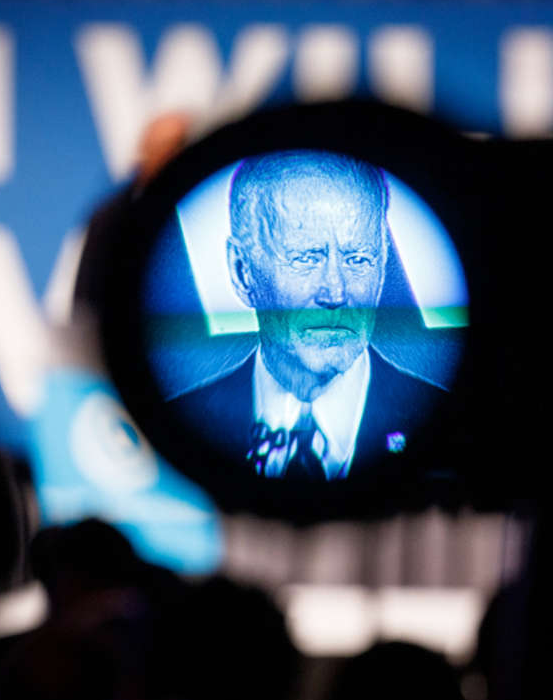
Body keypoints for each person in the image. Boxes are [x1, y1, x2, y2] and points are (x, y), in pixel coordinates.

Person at [170, 150, 446, 480]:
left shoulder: (449, 422)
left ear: (383, 265)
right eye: (306, 259)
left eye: (358, 260)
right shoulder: (177, 424)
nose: (336, 293)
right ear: (243, 272)